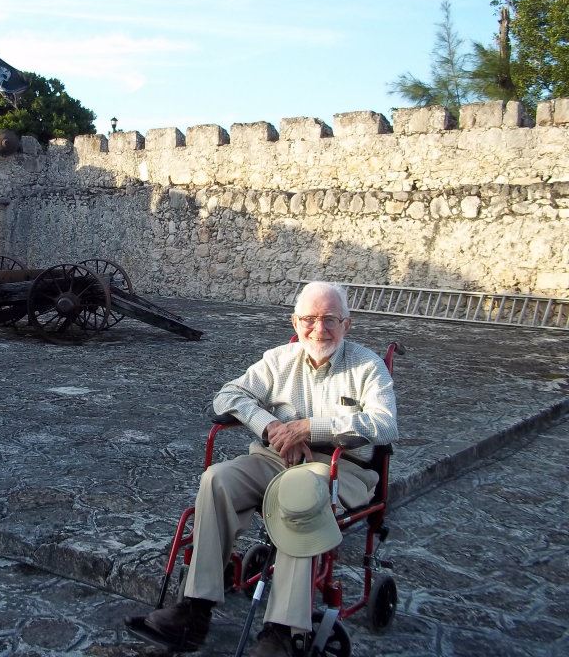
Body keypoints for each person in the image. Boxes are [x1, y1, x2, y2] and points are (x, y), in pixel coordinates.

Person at [136, 281, 397, 655]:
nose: (318, 329)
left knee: (299, 497)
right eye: (309, 319)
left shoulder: (366, 366)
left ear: (347, 324)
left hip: (340, 469)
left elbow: (385, 424)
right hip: (274, 458)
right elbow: (227, 395)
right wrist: (272, 427)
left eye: (329, 320)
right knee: (217, 480)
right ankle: (196, 608)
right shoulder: (278, 360)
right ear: (295, 321)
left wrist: (308, 428)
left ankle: (283, 631)